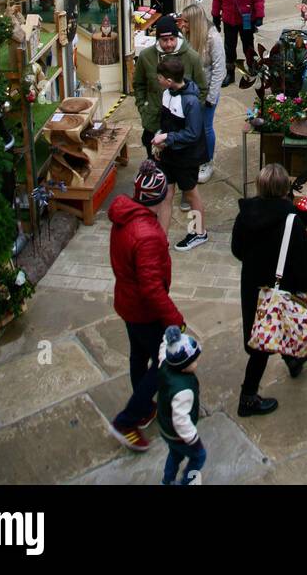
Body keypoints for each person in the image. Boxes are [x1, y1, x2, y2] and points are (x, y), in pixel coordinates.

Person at [108, 161, 187, 452]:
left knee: (139, 357)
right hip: (144, 310)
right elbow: (152, 288)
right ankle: (127, 420)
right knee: (167, 362)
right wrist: (175, 320)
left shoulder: (124, 218)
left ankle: (143, 410)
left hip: (127, 303)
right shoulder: (148, 236)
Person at [231, 162, 307, 417]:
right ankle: (247, 398)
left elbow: (237, 250)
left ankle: (292, 359)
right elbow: (303, 261)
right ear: (284, 189)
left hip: (252, 286)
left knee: (263, 332)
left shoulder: (245, 215)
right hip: (282, 288)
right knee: (264, 342)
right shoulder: (291, 220)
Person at [152, 56, 208, 251]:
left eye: (159, 77)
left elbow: (193, 133)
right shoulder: (167, 93)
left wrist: (167, 137)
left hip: (186, 157)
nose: (157, 79)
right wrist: (161, 142)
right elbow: (166, 122)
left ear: (169, 80)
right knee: (166, 195)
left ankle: (199, 232)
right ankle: (161, 239)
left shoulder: (191, 102)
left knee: (191, 194)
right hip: (169, 154)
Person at [133, 15, 207, 158]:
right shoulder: (146, 57)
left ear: (177, 37)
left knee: (179, 169)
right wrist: (143, 108)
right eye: (164, 40)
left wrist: (192, 113)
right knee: (154, 165)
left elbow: (202, 89)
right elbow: (138, 84)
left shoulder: (192, 58)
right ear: (157, 39)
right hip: (153, 121)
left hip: (180, 127)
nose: (168, 44)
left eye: (172, 39)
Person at [157, 325, 206, 486]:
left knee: (175, 454)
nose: (197, 363)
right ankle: (187, 481)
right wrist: (193, 439)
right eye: (195, 361)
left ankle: (167, 480)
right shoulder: (183, 390)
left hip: (165, 427)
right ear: (184, 366)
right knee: (199, 456)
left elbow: (163, 350)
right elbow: (181, 420)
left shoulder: (165, 363)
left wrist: (168, 338)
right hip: (178, 434)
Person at [182, 3, 225, 184]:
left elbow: (219, 70)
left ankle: (207, 161)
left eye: (185, 21)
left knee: (205, 127)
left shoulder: (213, 38)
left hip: (207, 91)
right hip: (190, 91)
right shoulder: (187, 36)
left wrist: (211, 97)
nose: (182, 24)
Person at [212, 0, 264, 88]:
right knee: (229, 47)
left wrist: (259, 15)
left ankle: (251, 65)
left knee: (248, 43)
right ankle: (230, 73)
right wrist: (215, 16)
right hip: (229, 18)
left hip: (246, 18)